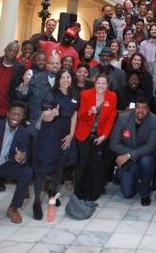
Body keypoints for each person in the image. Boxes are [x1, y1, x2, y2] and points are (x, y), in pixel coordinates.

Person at [31, 69, 80, 220]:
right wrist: (52, 114)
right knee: (43, 168)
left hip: (65, 135)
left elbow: (74, 115)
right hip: (50, 134)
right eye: (63, 77)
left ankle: (52, 193)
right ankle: (36, 202)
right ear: (58, 80)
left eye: (68, 77)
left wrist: (71, 135)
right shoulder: (51, 94)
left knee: (60, 166)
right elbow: (45, 116)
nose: (66, 80)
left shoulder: (74, 94)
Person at [73, 75, 117, 201]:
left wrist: (104, 135)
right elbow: (80, 115)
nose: (101, 86)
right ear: (94, 83)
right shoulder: (86, 94)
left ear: (107, 85)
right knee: (84, 162)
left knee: (97, 164)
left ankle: (94, 192)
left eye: (104, 84)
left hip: (100, 135)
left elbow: (111, 118)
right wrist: (89, 112)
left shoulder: (112, 96)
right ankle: (79, 191)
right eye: (98, 83)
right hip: (84, 134)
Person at [110, 98, 156, 206]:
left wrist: (129, 155)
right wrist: (129, 156)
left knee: (147, 160)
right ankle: (131, 177)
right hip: (128, 159)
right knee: (127, 194)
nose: (140, 111)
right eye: (138, 107)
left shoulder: (155, 121)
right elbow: (114, 143)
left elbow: (151, 146)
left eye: (144, 108)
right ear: (134, 108)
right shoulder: (123, 118)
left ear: (148, 110)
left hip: (144, 157)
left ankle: (145, 191)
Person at [17, 55, 61, 137]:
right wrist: (25, 84)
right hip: (34, 123)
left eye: (57, 63)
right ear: (47, 65)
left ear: (60, 65)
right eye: (52, 63)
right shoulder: (36, 77)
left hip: (54, 126)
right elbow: (22, 95)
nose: (55, 65)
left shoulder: (64, 80)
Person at [0, 42, 26, 121]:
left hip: (8, 110)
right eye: (10, 50)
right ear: (5, 50)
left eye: (15, 51)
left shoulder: (21, 67)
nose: (12, 53)